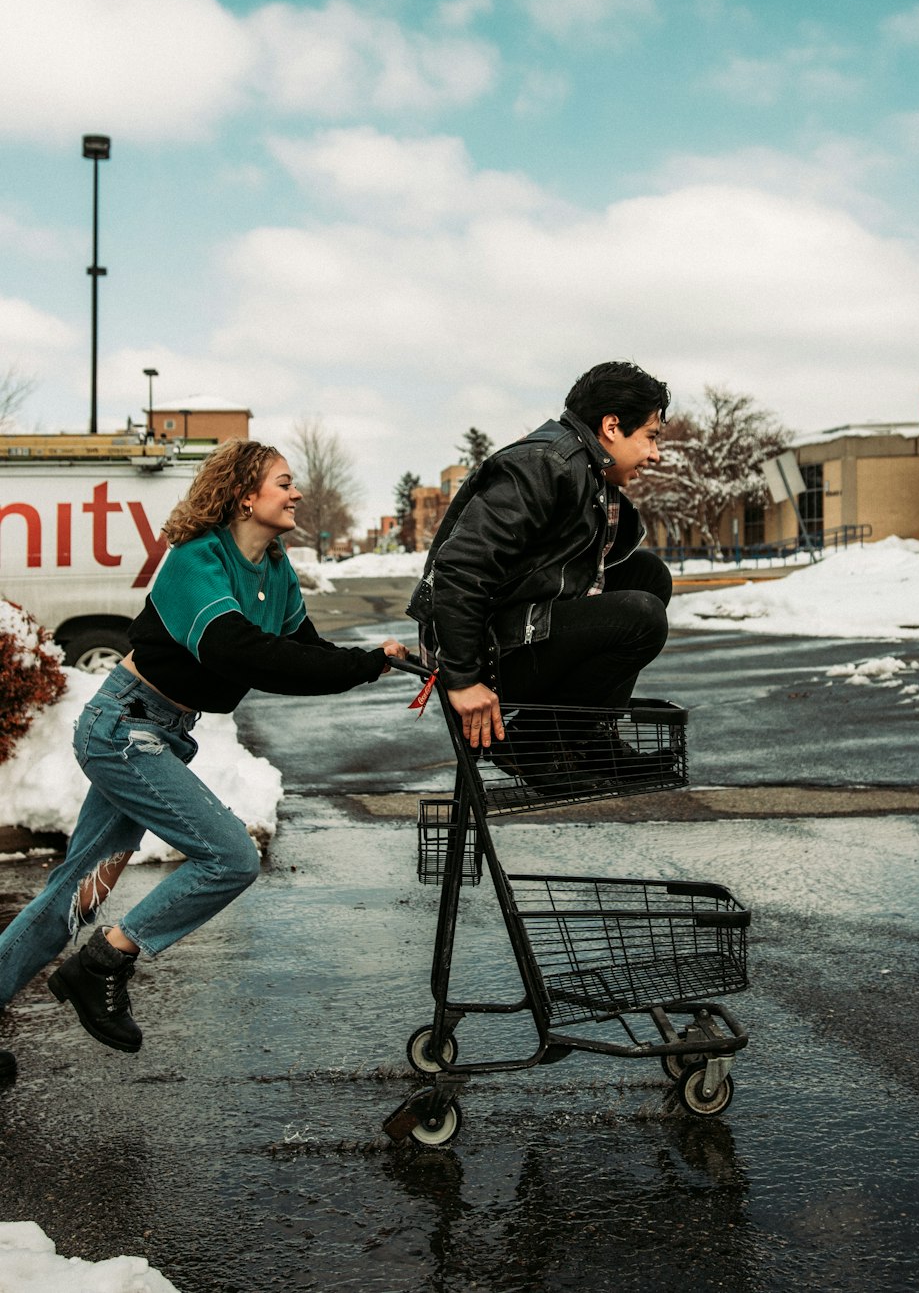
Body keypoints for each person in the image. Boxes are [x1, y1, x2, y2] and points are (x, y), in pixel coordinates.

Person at [0, 440, 406, 1067]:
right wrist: (360, 665)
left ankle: (84, 961)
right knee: (231, 856)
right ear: (246, 495)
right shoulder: (197, 559)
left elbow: (304, 653)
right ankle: (104, 961)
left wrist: (378, 661)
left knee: (73, 893)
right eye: (284, 482)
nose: (296, 493)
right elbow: (236, 651)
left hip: (159, 733)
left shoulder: (274, 570)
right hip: (124, 727)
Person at [407, 360, 673, 778]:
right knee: (642, 617)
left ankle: (588, 737)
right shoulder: (545, 465)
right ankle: (531, 747)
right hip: (479, 654)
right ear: (611, 426)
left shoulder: (588, 469)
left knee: (648, 576)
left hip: (512, 628)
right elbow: (459, 568)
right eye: (650, 437)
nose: (655, 454)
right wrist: (462, 678)